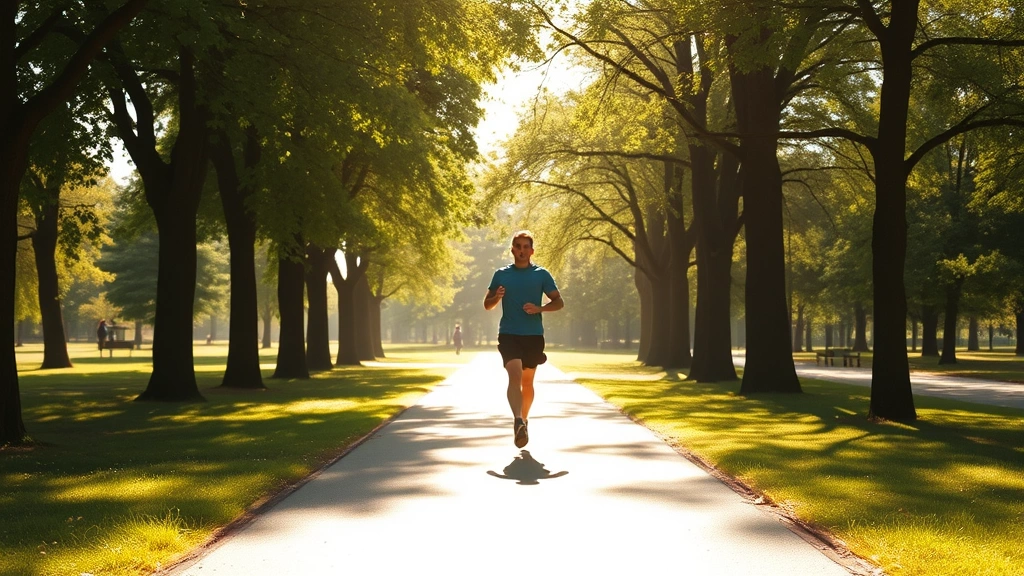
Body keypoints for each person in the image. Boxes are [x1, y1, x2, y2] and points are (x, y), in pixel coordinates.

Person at [483, 230, 563, 448]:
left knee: (527, 382)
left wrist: (539, 308)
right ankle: (517, 419)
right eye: (517, 246)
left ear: (531, 250)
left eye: (525, 246)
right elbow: (487, 305)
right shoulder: (501, 274)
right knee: (515, 376)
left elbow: (559, 302)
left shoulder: (541, 274)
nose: (521, 250)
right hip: (509, 333)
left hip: (533, 335)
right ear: (512, 250)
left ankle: (524, 421)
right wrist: (496, 297)